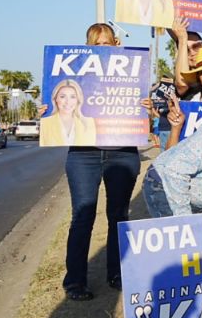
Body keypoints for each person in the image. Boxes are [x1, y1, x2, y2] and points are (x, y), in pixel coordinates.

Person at [54, 23, 141, 301]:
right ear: (87, 48)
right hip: (84, 154)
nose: (102, 48)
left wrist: (146, 107)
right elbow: (60, 103)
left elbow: (141, 107)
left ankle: (117, 273)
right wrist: (47, 109)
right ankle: (75, 281)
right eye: (96, 44)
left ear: (116, 44)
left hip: (122, 151)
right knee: (82, 216)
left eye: (107, 43)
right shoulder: (75, 75)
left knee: (119, 216)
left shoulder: (133, 72)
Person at [40, 79, 97, 146]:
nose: (68, 102)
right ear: (55, 99)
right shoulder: (44, 123)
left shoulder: (88, 123)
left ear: (78, 100)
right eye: (62, 97)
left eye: (72, 97)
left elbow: (90, 148)